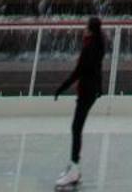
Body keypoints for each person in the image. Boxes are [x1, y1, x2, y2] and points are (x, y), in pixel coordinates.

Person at [53, 16, 106, 187]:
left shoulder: (89, 47)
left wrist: (61, 88)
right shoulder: (98, 44)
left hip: (86, 92)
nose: (84, 29)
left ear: (90, 30)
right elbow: (96, 69)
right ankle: (73, 166)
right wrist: (100, 88)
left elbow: (78, 71)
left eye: (86, 27)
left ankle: (74, 170)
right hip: (90, 92)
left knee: (76, 128)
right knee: (77, 127)